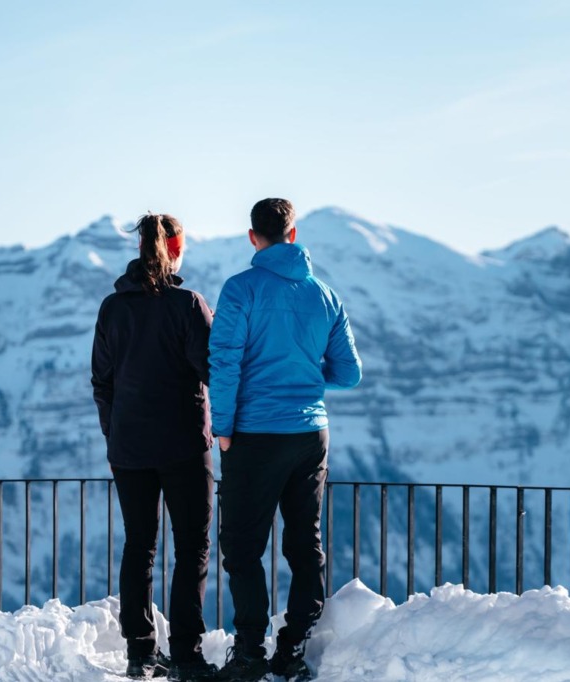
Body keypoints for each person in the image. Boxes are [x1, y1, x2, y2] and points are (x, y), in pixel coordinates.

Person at [209, 198, 362, 681]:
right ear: (293, 235)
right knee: (304, 542)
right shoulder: (326, 296)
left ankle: (251, 651)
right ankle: (293, 648)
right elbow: (350, 373)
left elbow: (226, 363)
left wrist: (224, 429)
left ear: (253, 237)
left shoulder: (240, 290)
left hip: (254, 434)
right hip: (311, 433)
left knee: (242, 544)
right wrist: (306, 377)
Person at [92, 213, 219, 681]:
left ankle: (140, 653)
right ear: (178, 247)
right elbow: (213, 372)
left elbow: (101, 381)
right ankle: (185, 654)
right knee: (192, 547)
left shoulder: (112, 308)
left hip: (129, 449)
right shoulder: (188, 305)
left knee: (139, 547)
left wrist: (115, 431)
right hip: (184, 446)